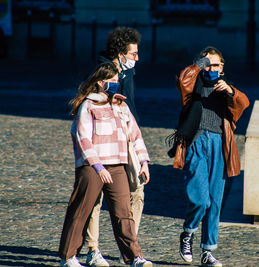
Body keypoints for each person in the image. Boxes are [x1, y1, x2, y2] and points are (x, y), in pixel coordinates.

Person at [59, 62, 152, 267]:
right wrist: (97, 166)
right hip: (92, 167)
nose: (116, 84)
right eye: (112, 81)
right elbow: (83, 138)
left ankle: (135, 257)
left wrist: (144, 161)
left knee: (123, 213)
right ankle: (68, 257)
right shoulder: (88, 105)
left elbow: (135, 136)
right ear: (101, 83)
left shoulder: (121, 106)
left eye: (117, 81)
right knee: (81, 209)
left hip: (118, 165)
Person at [168, 47, 249, 266]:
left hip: (220, 144)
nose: (213, 68)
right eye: (209, 64)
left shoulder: (226, 88)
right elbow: (183, 80)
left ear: (223, 67)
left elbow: (242, 105)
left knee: (215, 201)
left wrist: (230, 91)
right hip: (196, 142)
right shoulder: (193, 84)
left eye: (217, 65)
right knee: (200, 199)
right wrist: (200, 64)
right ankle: (188, 232)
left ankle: (207, 251)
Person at [85, 27, 144, 266]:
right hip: (102, 139)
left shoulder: (128, 73)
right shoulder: (101, 72)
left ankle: (129, 246)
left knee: (137, 190)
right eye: (133, 54)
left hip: (127, 138)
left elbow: (130, 107)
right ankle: (92, 249)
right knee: (95, 197)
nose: (136, 59)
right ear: (119, 53)